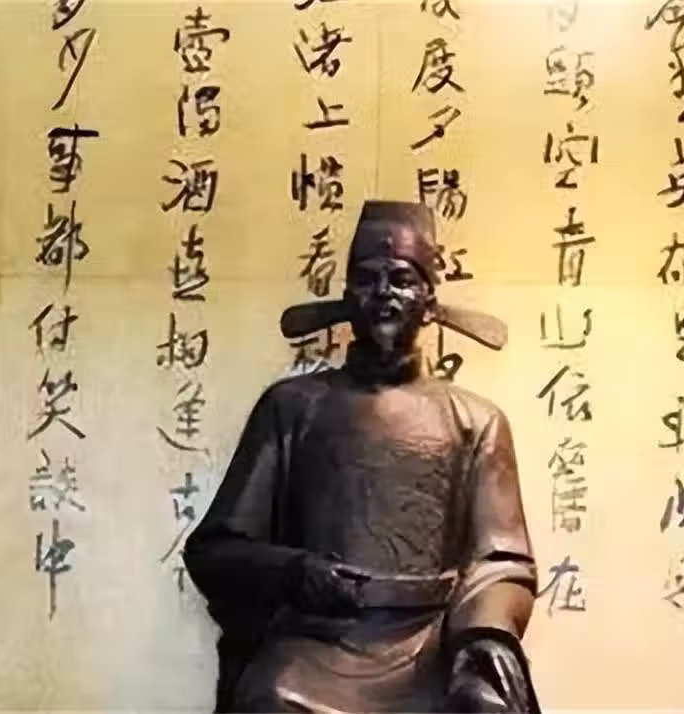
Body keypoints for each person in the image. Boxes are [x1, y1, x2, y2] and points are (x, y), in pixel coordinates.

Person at [183, 200, 542, 713]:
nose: (384, 294)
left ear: (429, 300)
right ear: (348, 296)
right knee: (272, 697)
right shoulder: (292, 407)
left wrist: (482, 638)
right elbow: (216, 549)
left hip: (430, 644)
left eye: (402, 280)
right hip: (316, 642)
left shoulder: (475, 420)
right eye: (368, 279)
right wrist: (293, 571)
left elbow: (501, 563)